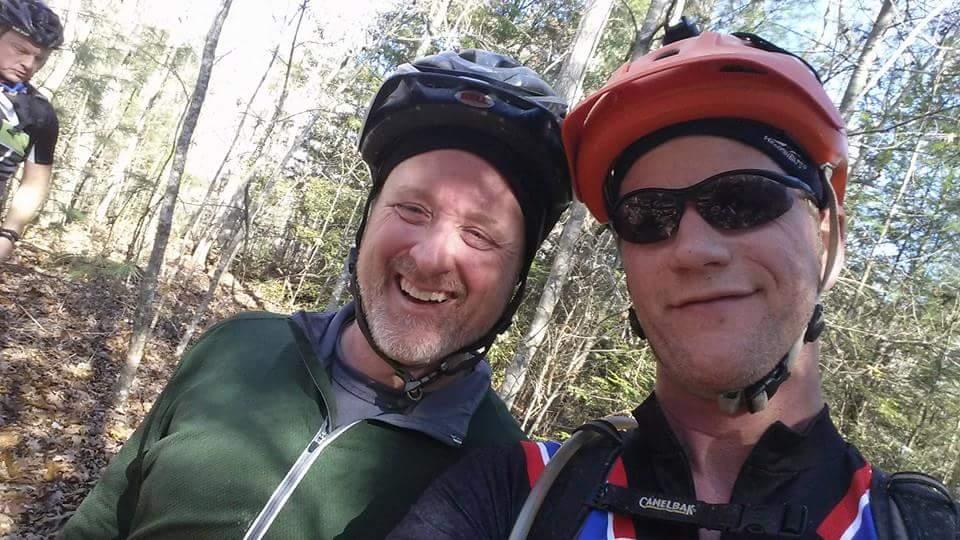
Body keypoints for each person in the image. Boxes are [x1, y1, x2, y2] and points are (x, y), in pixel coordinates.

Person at [391, 23, 959, 539]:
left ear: (828, 235)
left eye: (743, 200)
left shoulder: (916, 527)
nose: (693, 249)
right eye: (648, 216)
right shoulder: (516, 494)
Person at [61, 49, 571, 539]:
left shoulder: (504, 478)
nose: (432, 256)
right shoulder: (236, 348)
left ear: (517, 280)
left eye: (480, 235)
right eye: (412, 209)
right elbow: (102, 523)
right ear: (366, 223)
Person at [0, 0, 61, 263]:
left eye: (40, 58)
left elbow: (35, 181)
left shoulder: (39, 114)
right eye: (20, 49)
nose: (29, 64)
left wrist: (9, 235)